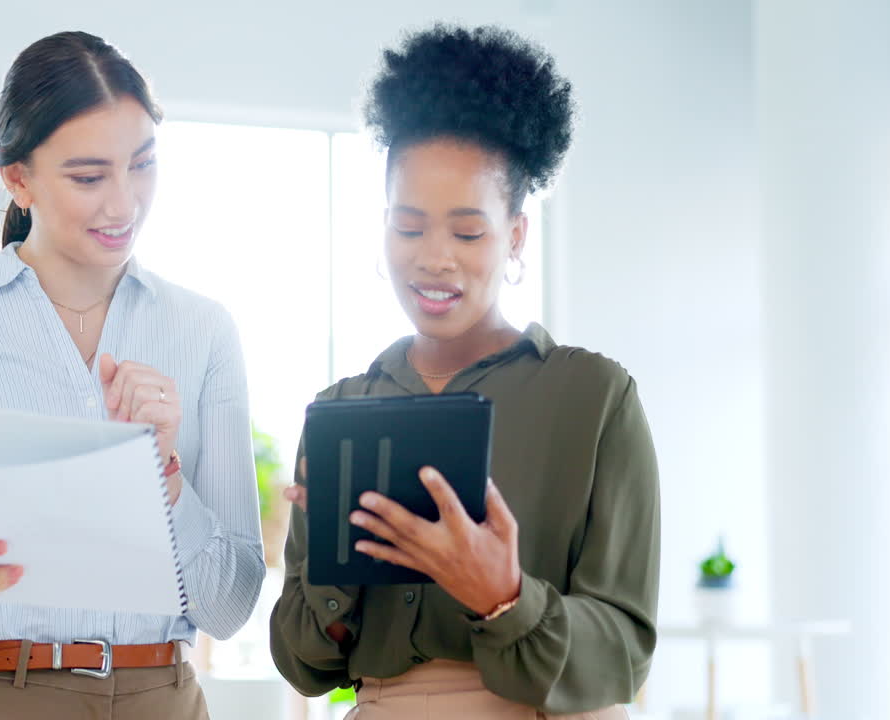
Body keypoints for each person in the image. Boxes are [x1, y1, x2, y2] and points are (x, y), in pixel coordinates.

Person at [0, 30, 264, 720]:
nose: (124, 204)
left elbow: (231, 607)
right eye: (88, 177)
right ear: (18, 179)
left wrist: (165, 477)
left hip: (161, 698)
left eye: (142, 165)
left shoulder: (203, 333)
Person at [270, 24, 659, 718]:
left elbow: (625, 654)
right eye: (409, 227)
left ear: (515, 236)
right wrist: (335, 576)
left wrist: (503, 595)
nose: (434, 258)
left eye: (468, 231)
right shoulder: (341, 410)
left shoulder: (594, 399)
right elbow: (306, 666)